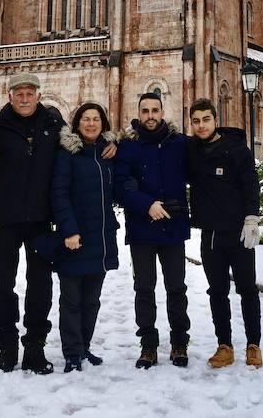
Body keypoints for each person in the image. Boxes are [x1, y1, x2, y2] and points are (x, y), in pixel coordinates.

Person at [0, 73, 116, 373]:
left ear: (38, 95)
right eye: (19, 93)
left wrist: (110, 141)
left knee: (40, 285)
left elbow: (83, 140)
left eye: (30, 93)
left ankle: (34, 347)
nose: (25, 98)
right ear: (10, 96)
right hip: (6, 220)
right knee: (4, 284)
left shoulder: (53, 126)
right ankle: (7, 345)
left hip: (41, 222)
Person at [114, 91, 191, 368]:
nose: (150, 116)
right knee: (144, 288)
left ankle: (179, 342)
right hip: (142, 229)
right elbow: (121, 185)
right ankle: (148, 345)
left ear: (162, 112)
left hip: (172, 228)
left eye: (154, 110)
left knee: (176, 288)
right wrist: (146, 204)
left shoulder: (178, 143)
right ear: (139, 113)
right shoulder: (128, 146)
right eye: (145, 111)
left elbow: (208, 150)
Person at [185, 98, 263, 369]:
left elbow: (250, 183)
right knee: (217, 291)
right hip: (211, 235)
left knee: (247, 289)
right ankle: (225, 345)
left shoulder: (236, 149)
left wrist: (252, 217)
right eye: (196, 121)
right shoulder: (191, 149)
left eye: (206, 119)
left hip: (238, 232)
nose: (201, 125)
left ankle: (254, 345)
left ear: (215, 120)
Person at [44, 102, 119, 372]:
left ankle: (84, 346)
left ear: (103, 124)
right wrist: (69, 229)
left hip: (100, 238)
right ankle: (72, 353)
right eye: (85, 119)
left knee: (91, 300)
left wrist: (118, 144)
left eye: (96, 119)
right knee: (72, 300)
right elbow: (59, 193)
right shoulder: (68, 153)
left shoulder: (108, 153)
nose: (90, 123)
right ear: (77, 124)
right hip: (74, 238)